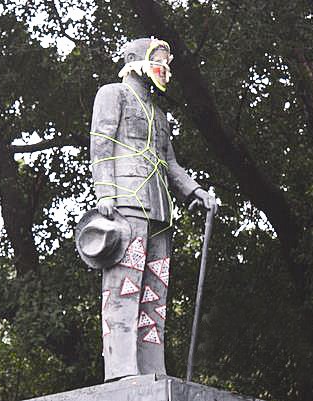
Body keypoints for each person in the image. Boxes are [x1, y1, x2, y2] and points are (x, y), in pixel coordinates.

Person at [89, 37, 216, 381]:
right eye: (159, 60)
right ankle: (121, 367)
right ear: (137, 61)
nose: (165, 69)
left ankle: (151, 367)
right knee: (124, 285)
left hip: (160, 209)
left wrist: (195, 191)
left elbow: (170, 163)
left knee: (155, 290)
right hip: (126, 203)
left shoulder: (160, 114)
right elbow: (101, 144)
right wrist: (105, 192)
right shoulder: (112, 94)